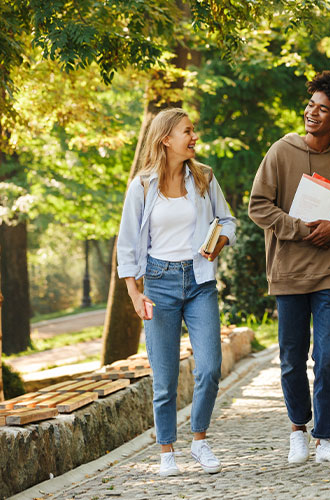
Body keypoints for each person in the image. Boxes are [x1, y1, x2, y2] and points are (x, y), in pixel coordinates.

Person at [248, 71, 330, 464]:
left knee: (329, 356)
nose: (312, 113)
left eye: (323, 109)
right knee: (291, 357)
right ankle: (298, 428)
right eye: (311, 105)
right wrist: (299, 230)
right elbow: (259, 206)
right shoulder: (280, 151)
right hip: (288, 271)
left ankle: (325, 438)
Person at [117, 107, 236, 476]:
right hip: (158, 283)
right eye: (188, 131)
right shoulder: (141, 186)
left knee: (211, 367)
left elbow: (228, 219)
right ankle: (166, 449)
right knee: (165, 376)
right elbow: (126, 244)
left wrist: (218, 244)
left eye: (194, 131)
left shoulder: (204, 177)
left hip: (199, 282)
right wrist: (135, 294)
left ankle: (199, 441)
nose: (194, 137)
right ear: (166, 138)